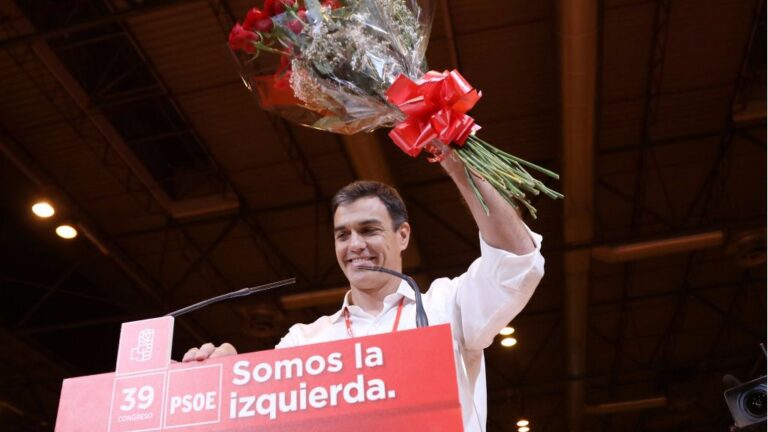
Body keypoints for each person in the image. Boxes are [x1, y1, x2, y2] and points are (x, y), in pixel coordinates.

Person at [183, 153, 545, 430]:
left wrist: (457, 164)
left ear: (402, 235)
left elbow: (517, 260)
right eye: (343, 235)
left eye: (369, 230)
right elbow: (262, 415)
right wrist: (228, 376)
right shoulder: (304, 342)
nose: (354, 245)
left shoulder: (447, 306)